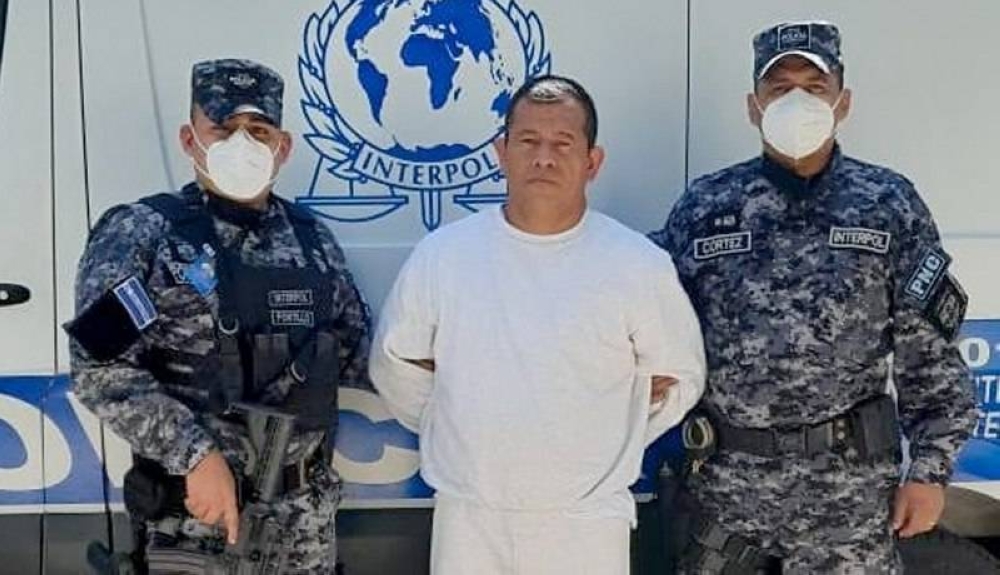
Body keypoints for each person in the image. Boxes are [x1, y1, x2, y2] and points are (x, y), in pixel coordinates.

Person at [649, 21, 977, 574]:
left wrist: (929, 471)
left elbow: (930, 354)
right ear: (753, 106)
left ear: (842, 103)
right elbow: (652, 316)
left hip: (849, 500)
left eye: (814, 87)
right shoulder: (705, 206)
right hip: (728, 496)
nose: (796, 101)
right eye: (779, 89)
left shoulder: (888, 204)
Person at [369, 74, 706, 575]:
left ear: (592, 162)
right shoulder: (444, 256)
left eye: (562, 143)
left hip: (588, 522)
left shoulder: (636, 264)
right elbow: (395, 364)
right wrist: (465, 422)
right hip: (471, 518)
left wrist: (613, 423)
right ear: (501, 152)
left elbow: (680, 379)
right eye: (528, 141)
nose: (544, 157)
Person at [67, 59, 371, 573]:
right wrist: (195, 455)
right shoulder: (146, 236)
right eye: (224, 129)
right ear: (190, 140)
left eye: (259, 131)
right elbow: (99, 369)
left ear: (283, 147)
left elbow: (355, 350)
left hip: (304, 529)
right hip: (198, 522)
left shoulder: (312, 241)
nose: (242, 144)